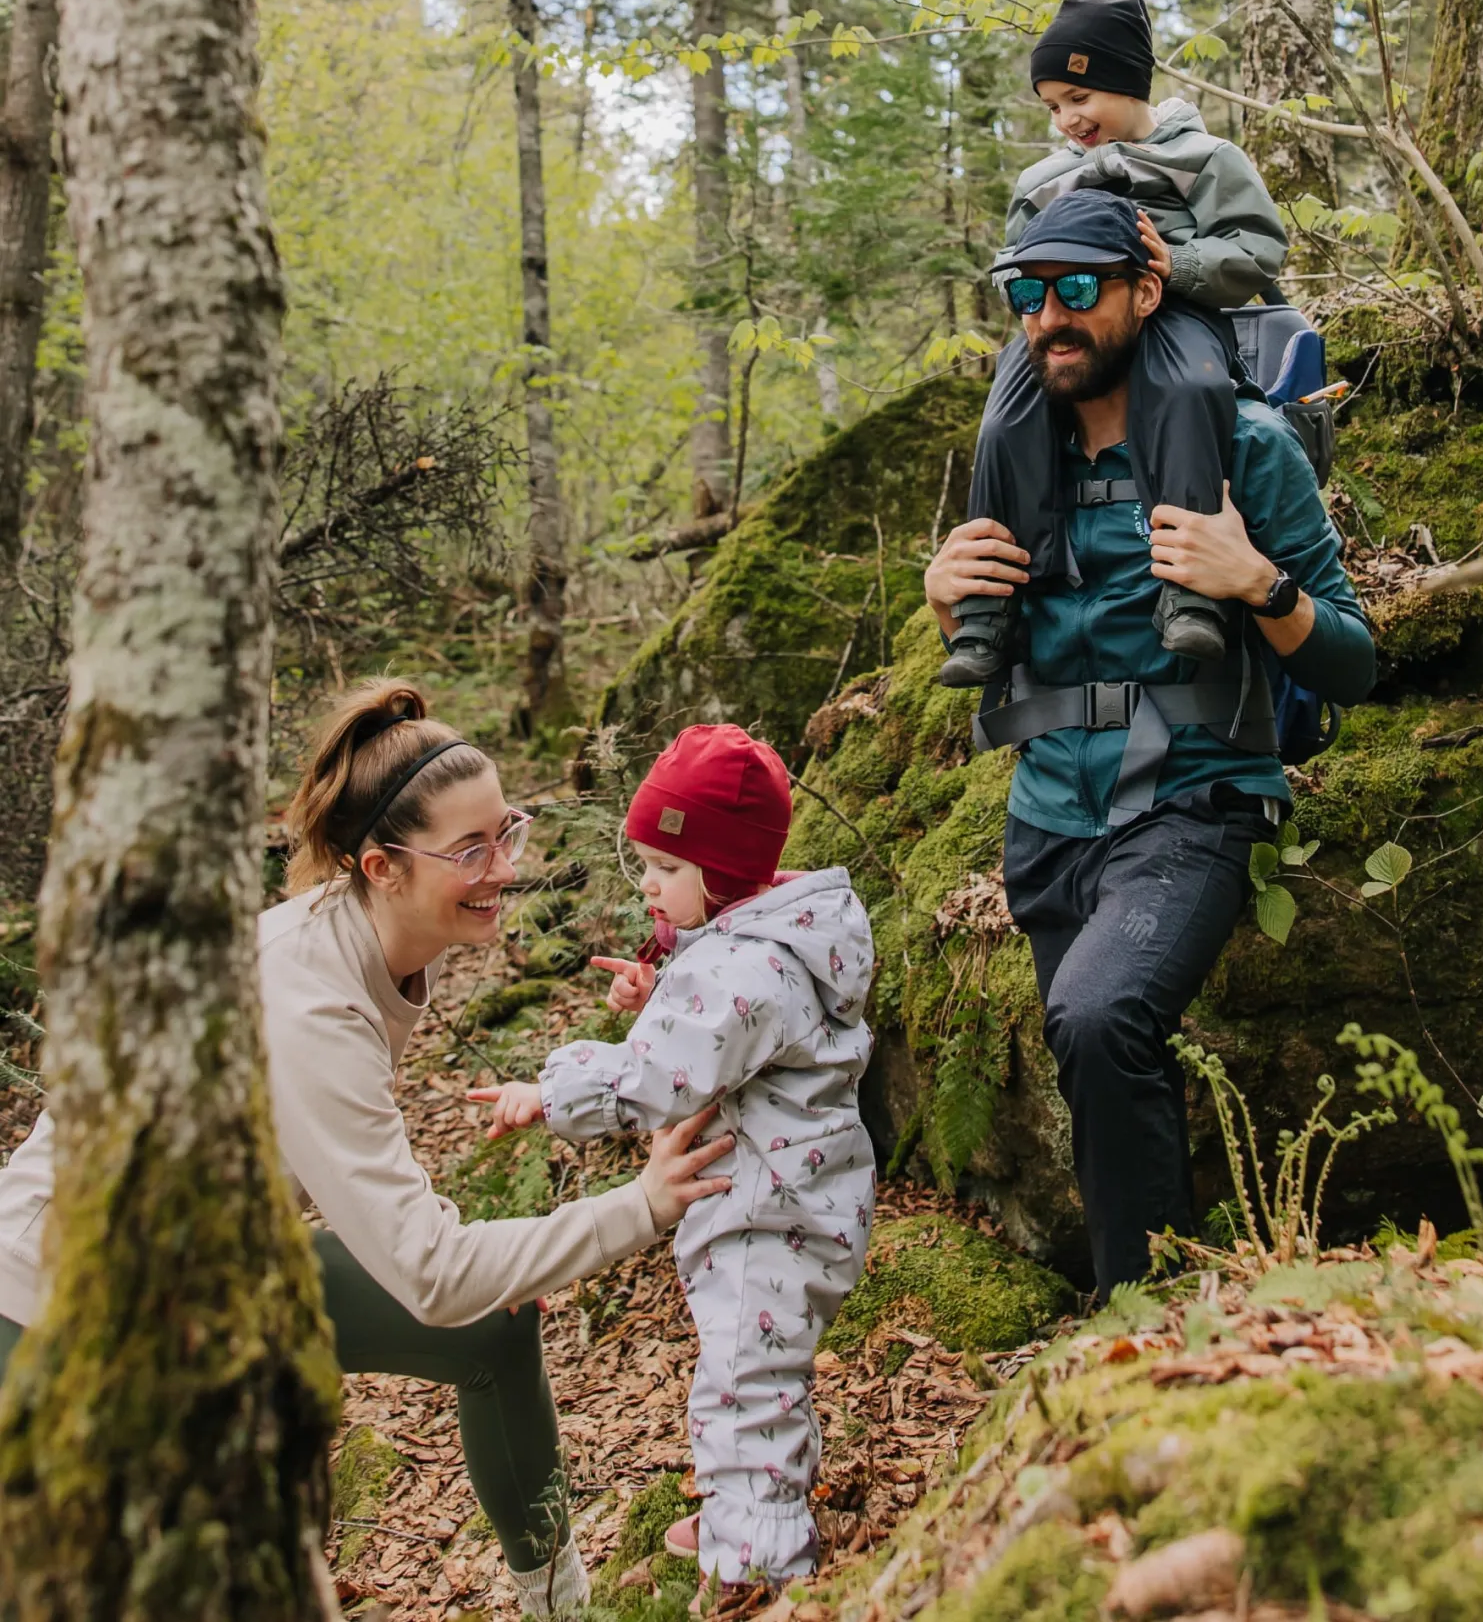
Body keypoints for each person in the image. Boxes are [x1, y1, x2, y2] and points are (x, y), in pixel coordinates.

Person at [0, 680, 738, 1621]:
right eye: (469, 849)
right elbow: (429, 1271)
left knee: (491, 1327)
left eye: (505, 831)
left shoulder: (365, 942)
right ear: (382, 866)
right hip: (59, 1313)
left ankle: (562, 1606)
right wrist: (640, 1205)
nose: (503, 867)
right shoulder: (306, 1002)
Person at [925, 189, 1375, 1299]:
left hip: (1192, 800)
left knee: (1099, 1012)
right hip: (1047, 819)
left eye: (1077, 288)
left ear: (1144, 288)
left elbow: (1355, 663)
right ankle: (1155, 1287)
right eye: (1026, 295)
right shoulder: (1017, 454)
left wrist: (1255, 582)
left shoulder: (1245, 448)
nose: (1049, 317)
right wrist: (945, 599)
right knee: (1094, 1059)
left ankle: (1148, 1318)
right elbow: (1004, 648)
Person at [472, 723, 876, 1605]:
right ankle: (753, 1504)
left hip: (769, 1213)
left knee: (742, 1382)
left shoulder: (740, 971)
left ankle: (759, 1560)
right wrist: (667, 987)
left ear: (720, 872)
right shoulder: (784, 933)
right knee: (757, 1366)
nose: (647, 884)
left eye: (663, 867)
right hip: (803, 1197)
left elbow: (654, 1080)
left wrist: (548, 1092)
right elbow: (727, 1027)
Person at [939, 0, 1291, 686]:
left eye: (1079, 99)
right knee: (1005, 417)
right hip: (1069, 319)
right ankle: (990, 604)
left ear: (1129, 84)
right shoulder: (1044, 181)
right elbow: (1018, 258)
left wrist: (1183, 261)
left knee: (1189, 391)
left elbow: (1258, 250)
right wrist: (1041, 301)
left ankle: (1190, 589)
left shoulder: (1204, 159)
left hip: (1177, 316)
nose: (1067, 120)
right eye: (1053, 107)